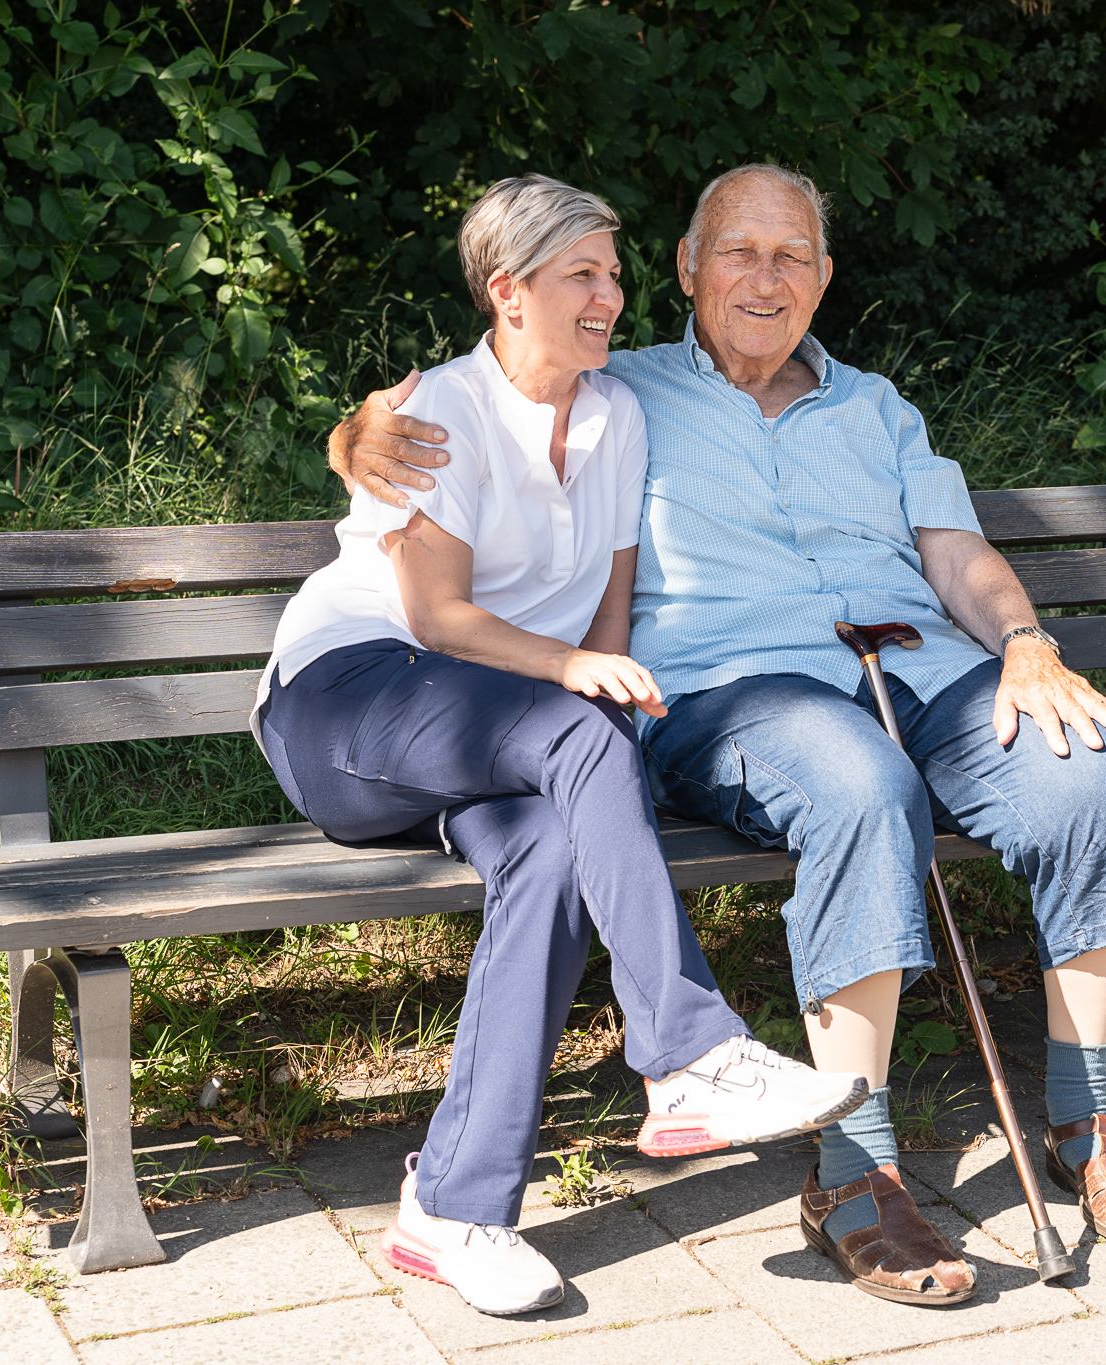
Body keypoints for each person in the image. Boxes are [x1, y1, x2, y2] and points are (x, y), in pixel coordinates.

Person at [329, 164, 1106, 1307]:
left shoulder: (880, 408)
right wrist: (355, 436)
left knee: (1088, 767)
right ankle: (854, 1169)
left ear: (825, 278)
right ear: (686, 270)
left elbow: (953, 554)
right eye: (738, 251)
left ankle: (1087, 1112)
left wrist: (1025, 644)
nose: (766, 277)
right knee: (855, 781)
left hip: (917, 671)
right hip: (734, 695)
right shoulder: (619, 387)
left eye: (794, 256)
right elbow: (476, 394)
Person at [254, 173, 869, 1319]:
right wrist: (576, 681)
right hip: (350, 706)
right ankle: (685, 1052)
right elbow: (434, 619)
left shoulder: (617, 412)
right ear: (508, 292)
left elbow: (607, 607)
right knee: (576, 733)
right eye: (581, 275)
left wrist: (599, 680)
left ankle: (453, 1208)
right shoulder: (439, 408)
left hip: (492, 732)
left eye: (615, 273)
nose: (609, 296)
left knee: (547, 851)